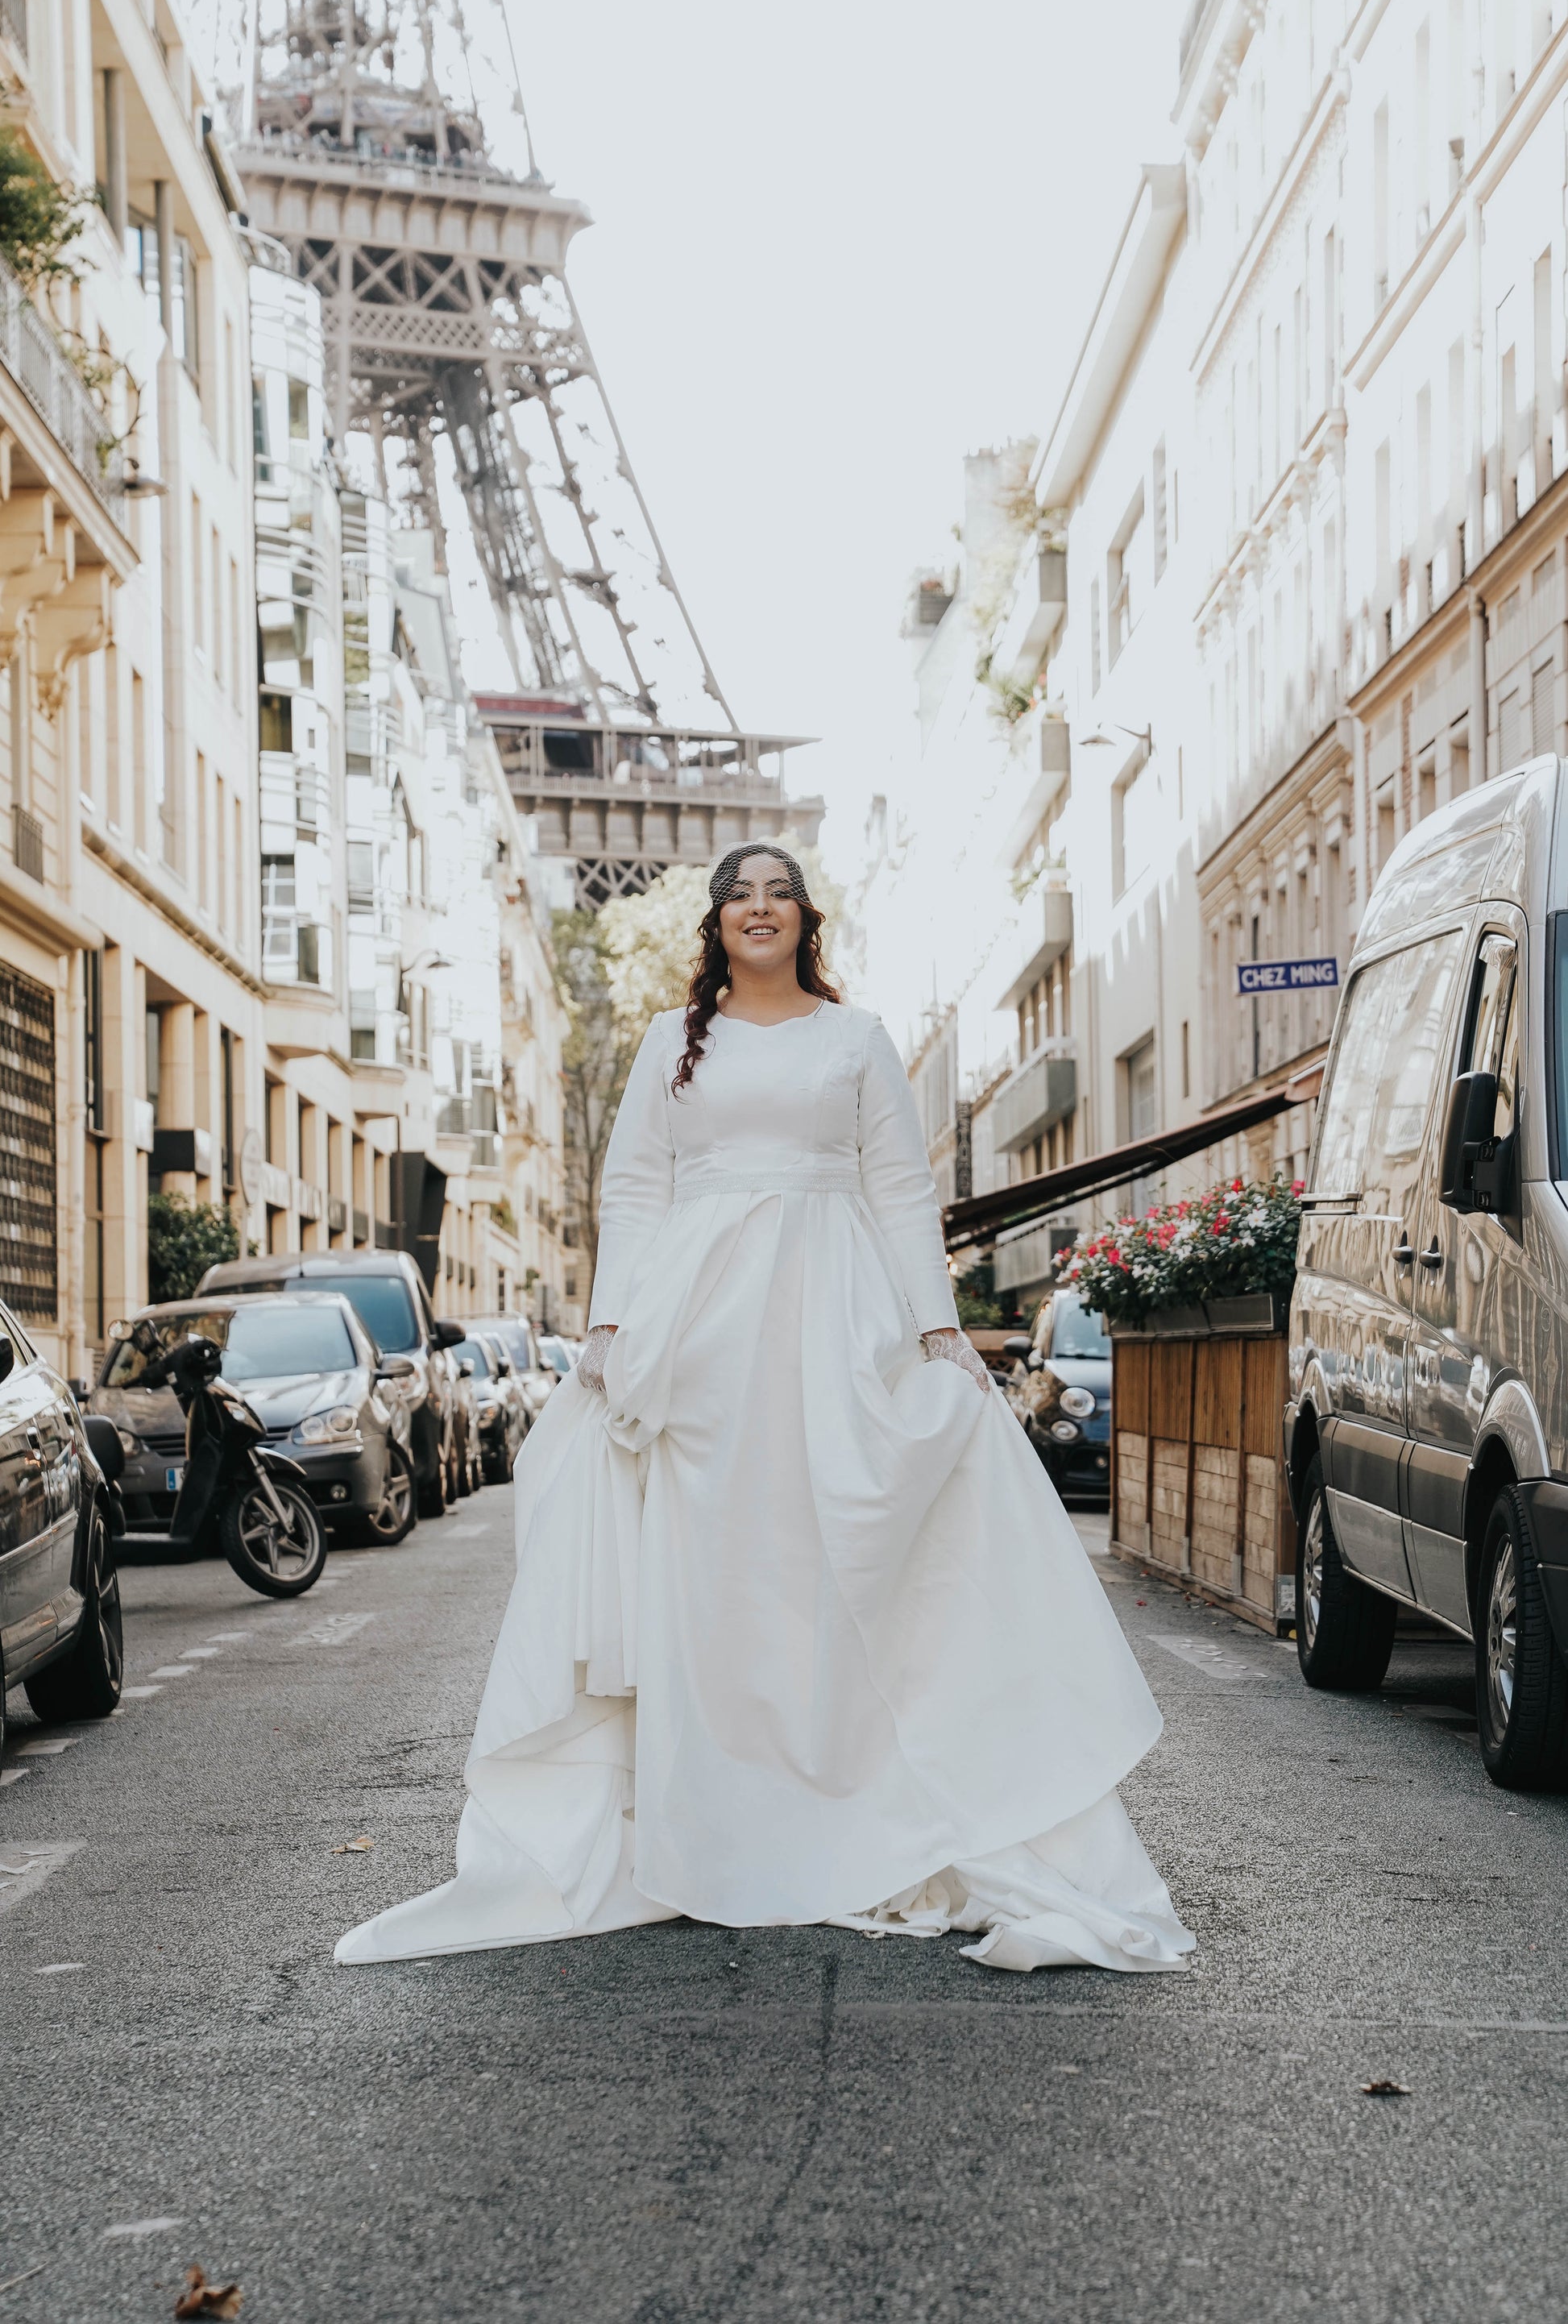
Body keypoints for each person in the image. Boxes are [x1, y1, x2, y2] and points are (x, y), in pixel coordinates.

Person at [338, 844, 1193, 1974]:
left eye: (777, 892)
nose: (757, 908)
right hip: (700, 1331)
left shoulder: (856, 1039)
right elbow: (635, 1187)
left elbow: (896, 1186)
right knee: (715, 1570)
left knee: (834, 1546)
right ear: (716, 922)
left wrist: (936, 1328)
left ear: (804, 919)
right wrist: (609, 1324)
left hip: (836, 1316)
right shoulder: (665, 1044)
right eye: (739, 894)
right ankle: (713, 1826)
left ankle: (859, 1803)